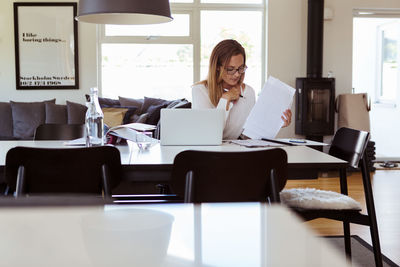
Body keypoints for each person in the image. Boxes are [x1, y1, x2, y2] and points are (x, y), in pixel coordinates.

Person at [192, 39, 292, 140]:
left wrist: (275, 124)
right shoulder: (200, 91)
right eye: (230, 69)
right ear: (217, 67)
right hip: (208, 151)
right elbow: (209, 134)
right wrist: (225, 99)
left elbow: (247, 137)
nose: (237, 74)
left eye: (241, 68)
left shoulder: (248, 92)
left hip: (236, 150)